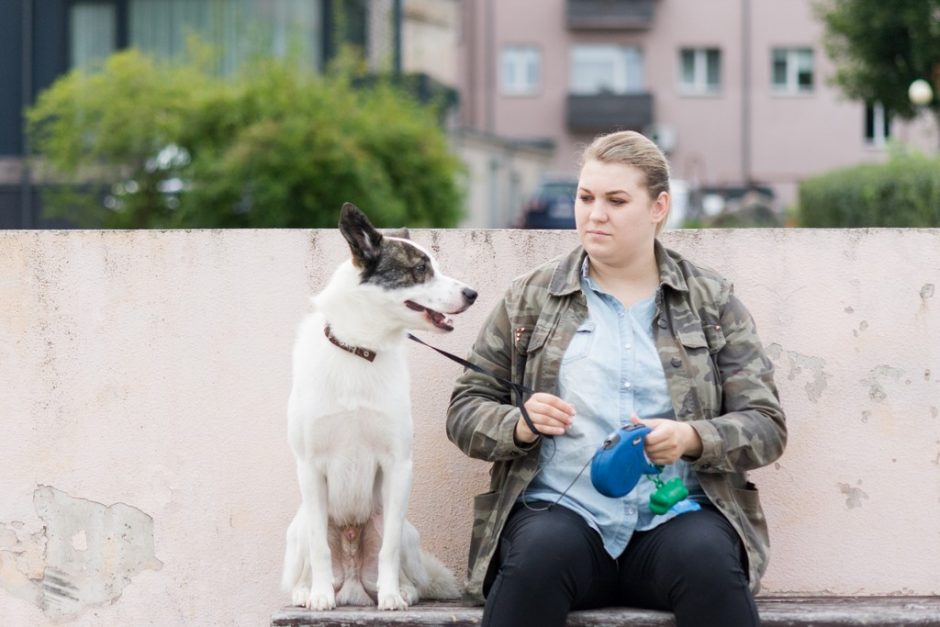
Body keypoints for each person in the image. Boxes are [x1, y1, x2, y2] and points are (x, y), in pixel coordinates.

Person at [446, 130, 786, 627]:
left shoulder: (710, 301)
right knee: (536, 557)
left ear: (658, 207)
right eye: (585, 197)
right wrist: (519, 424)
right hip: (563, 517)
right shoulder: (530, 298)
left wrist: (693, 438)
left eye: (616, 200)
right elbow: (465, 408)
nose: (594, 214)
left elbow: (767, 425)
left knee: (709, 562)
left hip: (676, 520)